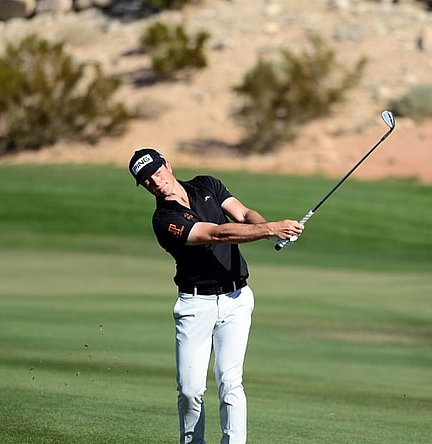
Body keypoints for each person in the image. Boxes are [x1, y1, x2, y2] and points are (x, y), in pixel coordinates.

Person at [128, 147, 304, 444]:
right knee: (190, 390)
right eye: (148, 181)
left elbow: (244, 214)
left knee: (230, 382)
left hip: (236, 300)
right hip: (196, 306)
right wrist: (271, 229)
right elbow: (216, 234)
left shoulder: (207, 184)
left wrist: (268, 229)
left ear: (167, 165)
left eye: (157, 173)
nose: (156, 182)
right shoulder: (164, 220)